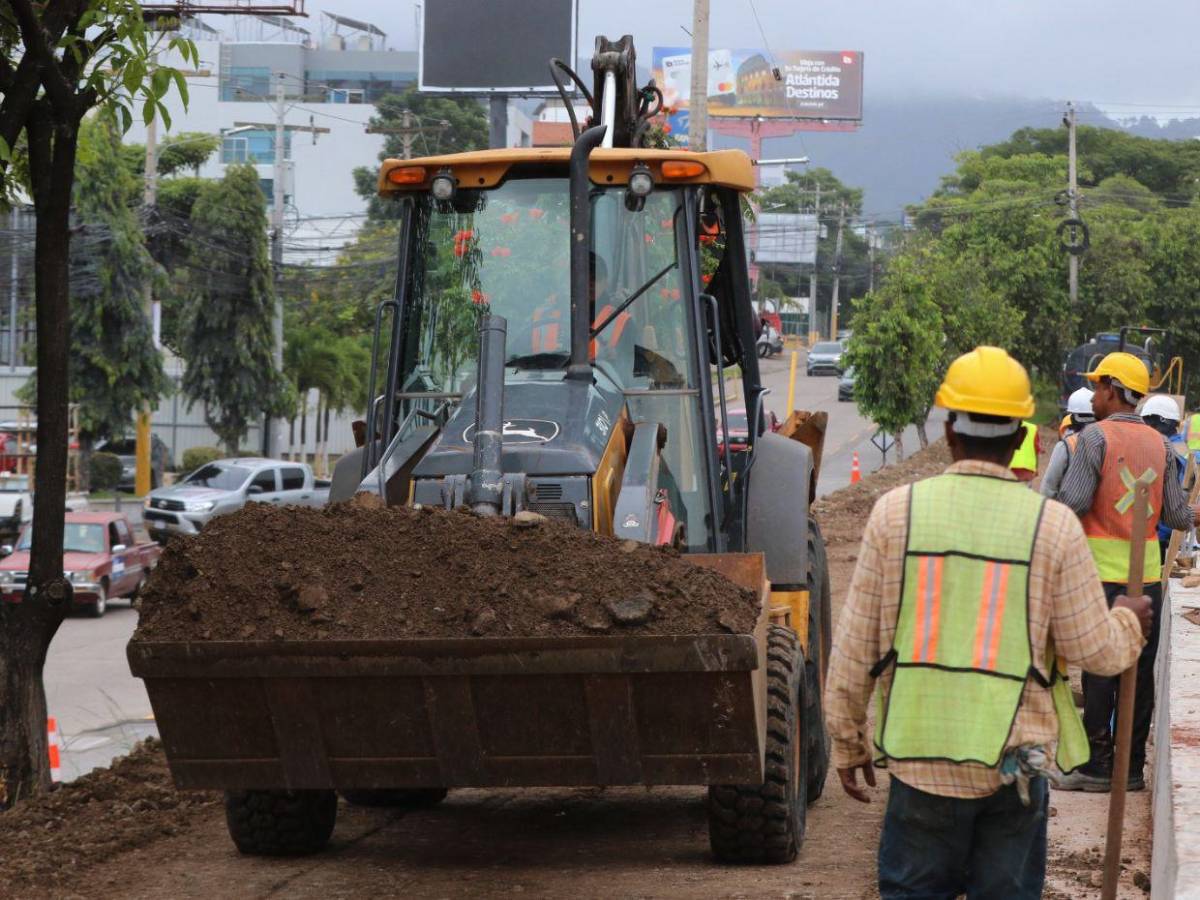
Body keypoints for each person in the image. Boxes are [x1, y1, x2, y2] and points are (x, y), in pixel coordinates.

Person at [824, 345, 1149, 899]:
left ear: (949, 431)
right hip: (1013, 768)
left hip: (921, 756)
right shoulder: (1052, 528)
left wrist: (849, 741)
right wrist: (1125, 620)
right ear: (1021, 432)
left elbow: (856, 647)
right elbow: (1094, 652)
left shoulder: (894, 514)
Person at [1055, 353, 1199, 792]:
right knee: (1138, 670)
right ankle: (1131, 767)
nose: (1094, 395)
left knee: (1100, 671)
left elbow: (1072, 504)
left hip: (1100, 579)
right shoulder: (1158, 445)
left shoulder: (1096, 438)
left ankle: (1097, 766)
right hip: (1148, 582)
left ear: (1114, 389)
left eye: (1099, 387)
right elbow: (1176, 515)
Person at [1141, 394, 1188, 561]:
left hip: (1161, 533)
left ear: (1159, 422)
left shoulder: (1165, 449)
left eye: (1147, 421)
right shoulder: (1180, 446)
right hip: (1172, 530)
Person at [1040, 387, 1095, 501]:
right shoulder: (1107, 441)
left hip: (1069, 510)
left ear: (1071, 416)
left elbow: (1048, 487)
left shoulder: (1065, 445)